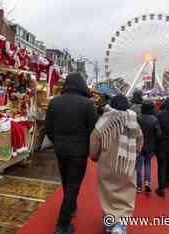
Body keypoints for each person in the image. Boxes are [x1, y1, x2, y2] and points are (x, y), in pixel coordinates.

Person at [45, 72, 98, 234]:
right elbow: (93, 129)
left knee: (66, 181)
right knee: (73, 185)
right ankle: (62, 224)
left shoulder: (54, 102)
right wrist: (88, 148)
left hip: (60, 149)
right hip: (79, 150)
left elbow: (48, 128)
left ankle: (71, 206)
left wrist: (57, 141)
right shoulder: (88, 104)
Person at [89, 95, 143, 234]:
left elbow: (94, 143)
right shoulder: (134, 122)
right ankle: (120, 225)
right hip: (127, 164)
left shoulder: (103, 122)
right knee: (126, 193)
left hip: (107, 163)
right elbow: (139, 144)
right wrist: (134, 154)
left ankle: (110, 223)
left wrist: (94, 157)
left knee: (108, 194)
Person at [136, 100, 162, 193]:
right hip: (150, 145)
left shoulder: (138, 118)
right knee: (148, 164)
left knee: (138, 165)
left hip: (139, 144)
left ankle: (138, 186)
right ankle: (147, 182)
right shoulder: (154, 119)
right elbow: (158, 134)